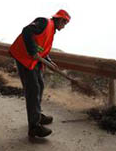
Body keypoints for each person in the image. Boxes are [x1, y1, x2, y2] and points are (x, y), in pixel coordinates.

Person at [9, 10, 71, 138]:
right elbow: (26, 31)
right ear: (59, 19)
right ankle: (34, 127)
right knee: (33, 89)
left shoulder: (51, 30)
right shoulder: (44, 22)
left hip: (33, 60)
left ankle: (36, 115)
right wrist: (32, 52)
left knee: (40, 86)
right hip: (24, 58)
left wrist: (49, 61)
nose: (64, 26)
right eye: (64, 23)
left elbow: (41, 47)